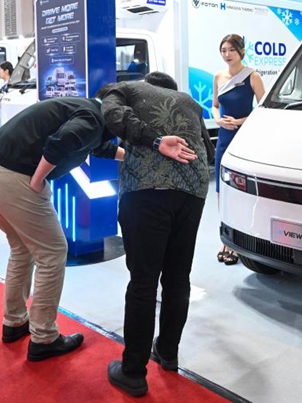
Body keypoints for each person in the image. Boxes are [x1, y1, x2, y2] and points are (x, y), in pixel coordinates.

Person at [0, 93, 132, 362]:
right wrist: (37, 181)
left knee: (22, 249)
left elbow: (92, 144)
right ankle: (44, 337)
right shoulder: (92, 119)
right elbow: (62, 142)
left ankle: (14, 322)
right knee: (53, 252)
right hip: (12, 178)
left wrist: (128, 157)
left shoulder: (85, 110)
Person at [100, 72, 212, 398]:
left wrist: (150, 141)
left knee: (143, 282)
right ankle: (168, 352)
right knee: (178, 277)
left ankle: (133, 372)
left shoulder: (127, 88)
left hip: (147, 192)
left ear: (147, 84)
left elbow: (112, 113)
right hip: (192, 193)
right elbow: (208, 149)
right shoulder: (191, 103)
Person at [212, 34, 264, 265]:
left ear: (241, 51)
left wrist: (240, 122)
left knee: (240, 189)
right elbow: (214, 106)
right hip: (224, 137)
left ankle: (238, 241)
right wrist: (219, 121)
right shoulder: (218, 76)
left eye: (231, 50)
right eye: (223, 50)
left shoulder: (253, 76)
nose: (227, 54)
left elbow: (264, 110)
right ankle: (225, 238)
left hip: (245, 137)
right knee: (222, 191)